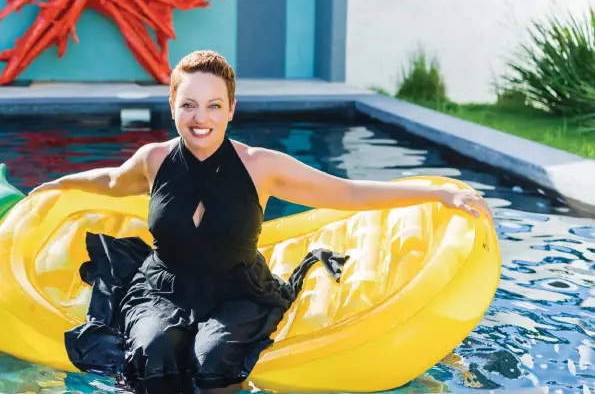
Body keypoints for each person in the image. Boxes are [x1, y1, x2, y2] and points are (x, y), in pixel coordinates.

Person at [30, 50, 490, 394]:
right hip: (164, 288)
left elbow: (347, 193)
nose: (200, 118)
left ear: (231, 109)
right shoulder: (153, 160)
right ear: (172, 105)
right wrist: (56, 185)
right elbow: (111, 181)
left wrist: (438, 192)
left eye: (214, 105)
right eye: (189, 104)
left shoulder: (260, 166)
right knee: (153, 352)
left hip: (236, 293)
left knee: (213, 362)